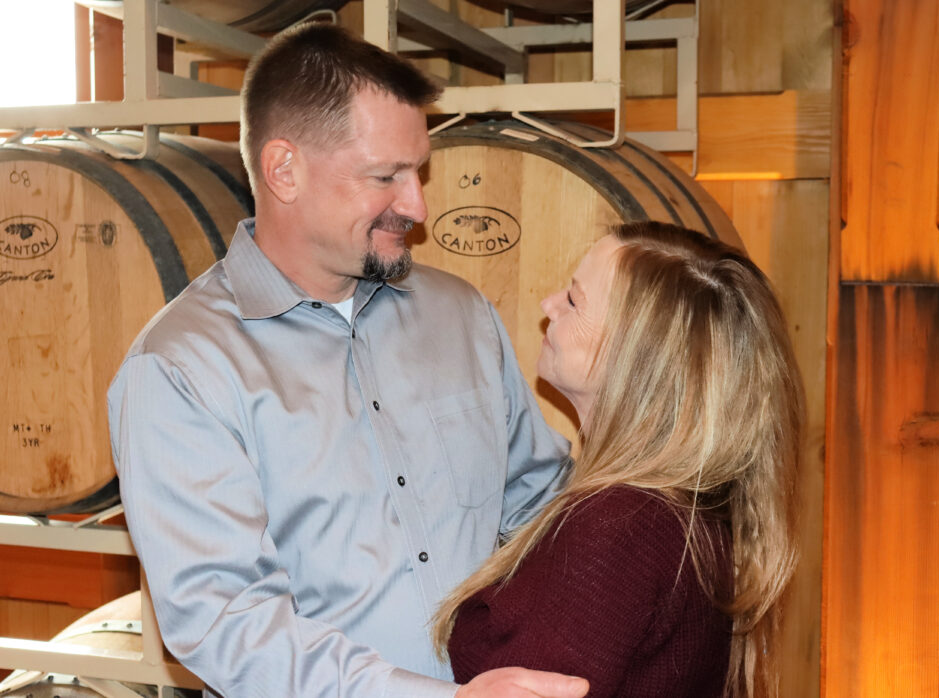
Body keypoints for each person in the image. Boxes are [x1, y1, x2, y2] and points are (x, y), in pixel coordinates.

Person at [106, 21, 590, 698]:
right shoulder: (180, 370)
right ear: (284, 170)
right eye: (385, 176)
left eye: (418, 171)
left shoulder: (460, 313)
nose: (417, 205)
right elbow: (228, 625)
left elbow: (538, 503)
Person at [434, 221, 805, 698]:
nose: (548, 306)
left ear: (635, 353)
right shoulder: (680, 506)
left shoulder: (620, 525)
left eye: (573, 300)